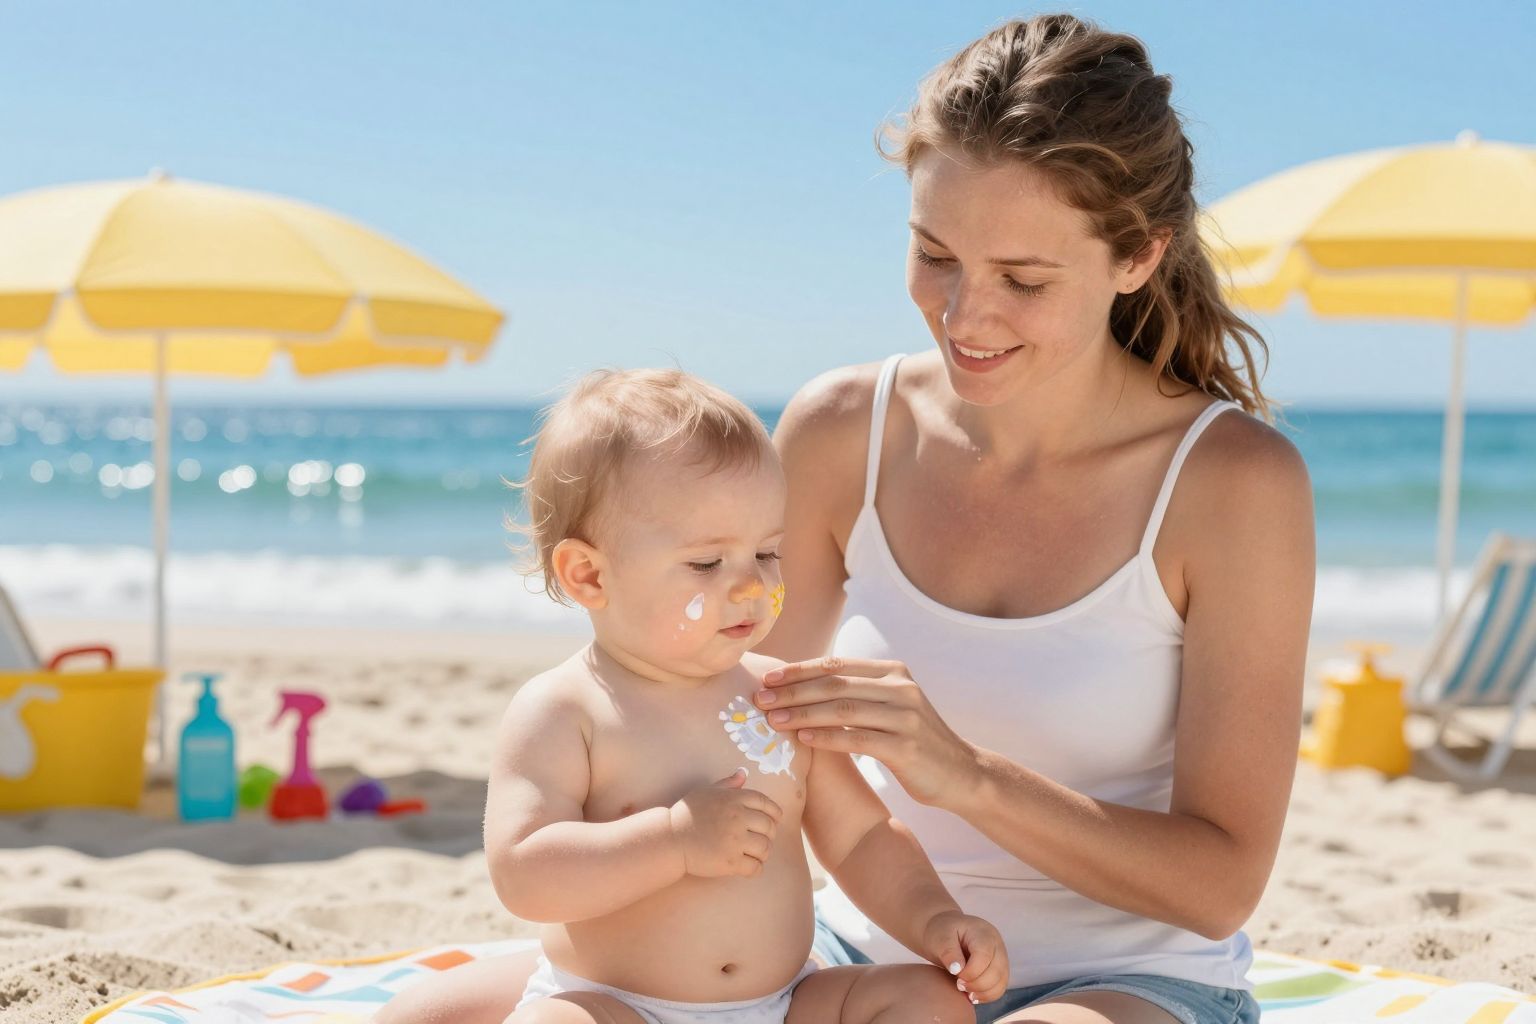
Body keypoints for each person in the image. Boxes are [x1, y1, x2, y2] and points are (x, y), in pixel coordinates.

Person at [378, 13, 1314, 1024]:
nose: (963, 314)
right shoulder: (841, 431)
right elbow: (708, 705)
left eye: (1023, 280)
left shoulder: (1233, 485)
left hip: (1126, 980)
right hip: (855, 960)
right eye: (934, 254)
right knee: (419, 1014)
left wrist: (968, 778)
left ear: (1137, 257)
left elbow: (1220, 883)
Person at [462, 368, 1006, 1024]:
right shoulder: (567, 711)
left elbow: (863, 836)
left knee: (929, 1003)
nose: (750, 586)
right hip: (618, 1007)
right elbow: (525, 873)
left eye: (768, 554)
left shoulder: (776, 695)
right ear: (589, 575)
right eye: (706, 563)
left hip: (781, 1004)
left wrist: (934, 918)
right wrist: (671, 839)